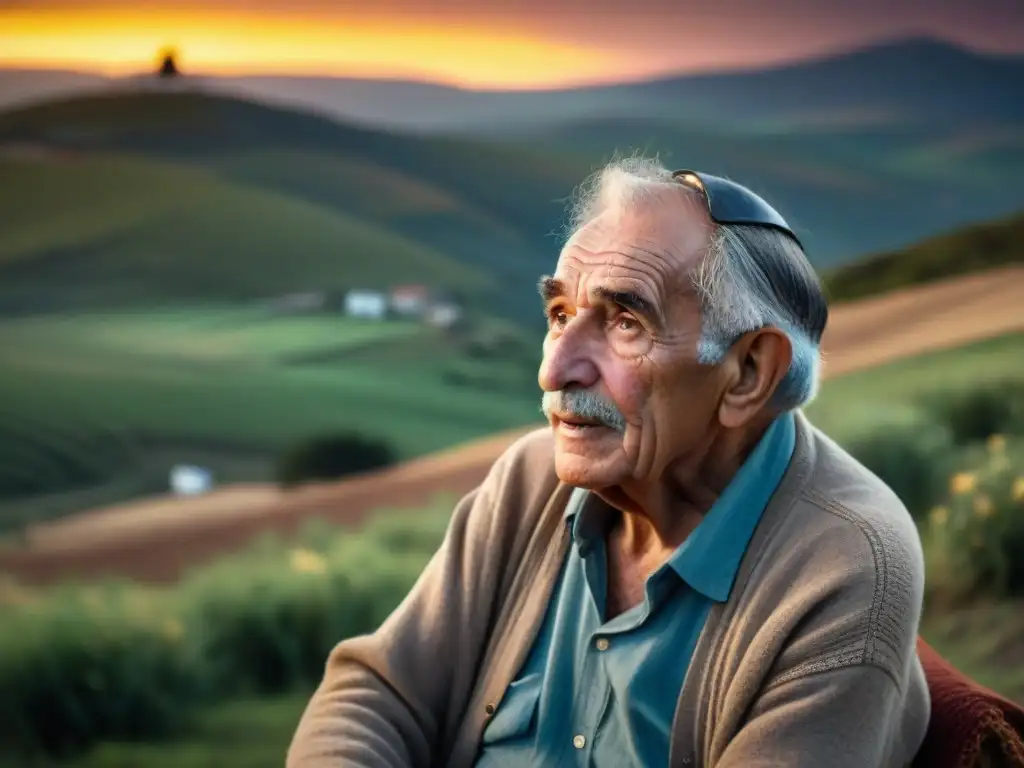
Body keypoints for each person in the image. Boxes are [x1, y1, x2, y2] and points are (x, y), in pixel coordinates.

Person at [287, 157, 931, 768]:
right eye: (560, 313)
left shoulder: (845, 565)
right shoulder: (530, 480)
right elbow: (376, 695)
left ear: (747, 374)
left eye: (626, 322)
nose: (553, 369)